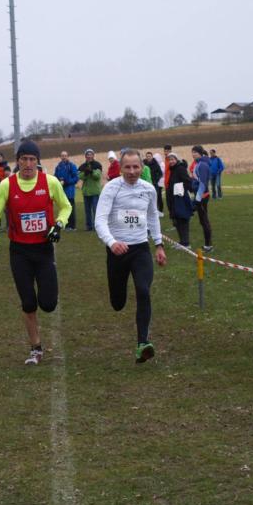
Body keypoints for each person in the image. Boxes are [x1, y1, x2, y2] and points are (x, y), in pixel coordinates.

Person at [0, 139, 72, 365]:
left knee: (48, 304)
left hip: (43, 250)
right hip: (20, 252)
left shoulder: (50, 182)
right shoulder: (7, 185)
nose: (28, 164)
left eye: (33, 159)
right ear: (18, 161)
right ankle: (36, 348)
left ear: (38, 161)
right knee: (28, 303)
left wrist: (58, 225)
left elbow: (66, 207)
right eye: (24, 159)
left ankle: (39, 337)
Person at [95, 148, 167, 363]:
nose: (132, 171)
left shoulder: (148, 189)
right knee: (117, 303)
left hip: (140, 249)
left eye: (136, 167)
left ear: (142, 167)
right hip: (117, 251)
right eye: (127, 167)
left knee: (143, 291)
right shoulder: (111, 188)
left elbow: (153, 217)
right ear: (120, 168)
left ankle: (142, 343)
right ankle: (119, 300)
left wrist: (159, 245)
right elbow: (100, 220)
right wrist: (112, 242)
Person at [166, 153, 194, 247]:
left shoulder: (180, 169)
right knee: (177, 220)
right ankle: (182, 242)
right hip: (174, 199)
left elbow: (187, 181)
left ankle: (186, 243)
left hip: (181, 199)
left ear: (176, 159)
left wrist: (180, 188)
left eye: (172, 159)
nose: (171, 161)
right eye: (169, 160)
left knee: (183, 220)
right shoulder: (172, 169)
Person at [191, 145, 213, 252]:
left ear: (200, 153)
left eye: (195, 152)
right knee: (203, 221)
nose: (193, 154)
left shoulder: (202, 165)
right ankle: (207, 244)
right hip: (200, 196)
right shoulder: (198, 163)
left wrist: (197, 199)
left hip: (202, 197)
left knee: (204, 221)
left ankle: (208, 246)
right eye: (192, 152)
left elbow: (203, 183)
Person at [54, 151, 80, 231]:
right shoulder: (58, 167)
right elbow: (55, 177)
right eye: (62, 156)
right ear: (60, 157)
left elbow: (76, 178)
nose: (64, 157)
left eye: (65, 155)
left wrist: (66, 182)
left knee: (70, 209)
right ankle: (65, 225)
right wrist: (58, 181)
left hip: (69, 192)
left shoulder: (71, 166)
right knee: (63, 208)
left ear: (68, 156)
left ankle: (72, 226)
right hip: (61, 192)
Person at [79, 148, 103, 231]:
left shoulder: (97, 165)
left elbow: (97, 176)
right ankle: (89, 226)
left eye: (90, 155)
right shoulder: (82, 166)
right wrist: (85, 173)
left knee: (96, 210)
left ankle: (97, 226)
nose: (89, 156)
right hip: (86, 192)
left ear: (93, 155)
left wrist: (91, 171)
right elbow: (80, 176)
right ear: (85, 156)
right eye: (87, 155)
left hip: (95, 192)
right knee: (87, 211)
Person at [144, 151, 164, 216]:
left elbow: (160, 173)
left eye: (149, 156)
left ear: (152, 157)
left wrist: (156, 180)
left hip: (154, 184)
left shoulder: (155, 164)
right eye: (147, 156)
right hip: (146, 184)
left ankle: (158, 211)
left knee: (156, 197)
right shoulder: (144, 163)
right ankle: (148, 211)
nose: (148, 157)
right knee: (147, 198)